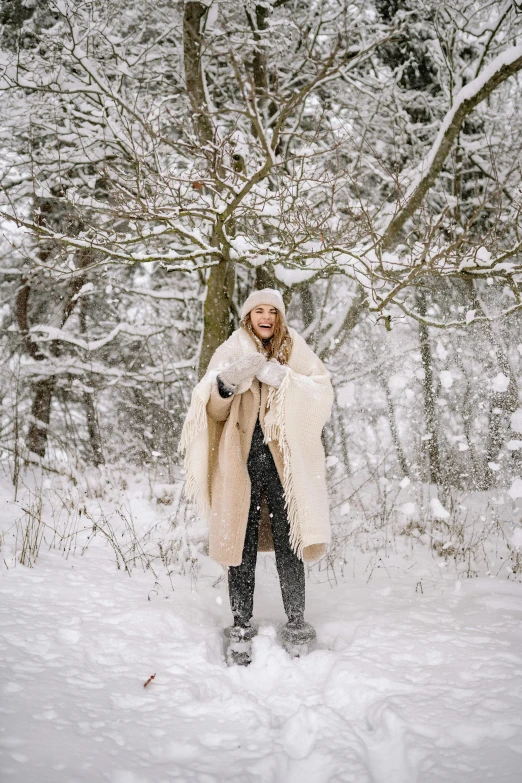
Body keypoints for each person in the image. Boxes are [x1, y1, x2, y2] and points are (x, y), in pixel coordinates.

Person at [179, 288, 334, 665]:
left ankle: (297, 623)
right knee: (240, 547)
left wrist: (285, 380)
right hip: (241, 464)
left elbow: (322, 394)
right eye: (258, 311)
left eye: (272, 311)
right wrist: (226, 386)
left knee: (289, 543)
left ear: (280, 317)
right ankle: (241, 627)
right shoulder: (230, 350)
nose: (265, 317)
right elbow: (213, 412)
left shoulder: (295, 349)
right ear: (248, 317)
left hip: (284, 467)